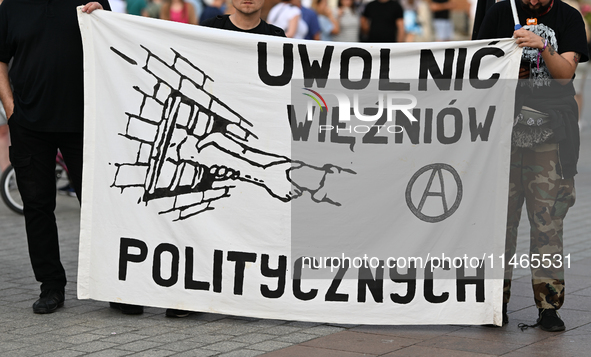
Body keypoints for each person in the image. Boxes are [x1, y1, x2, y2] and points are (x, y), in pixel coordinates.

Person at [0, 0, 144, 315]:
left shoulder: (91, 0)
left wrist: (102, 18)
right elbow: (0, 59)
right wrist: (11, 110)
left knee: (99, 207)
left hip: (84, 123)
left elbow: (114, 47)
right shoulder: (11, 6)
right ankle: (51, 287)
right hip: (29, 126)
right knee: (37, 207)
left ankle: (115, 287)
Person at [477, 0, 588, 331]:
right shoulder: (499, 12)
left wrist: (543, 47)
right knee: (501, 225)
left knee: (547, 224)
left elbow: (566, 75)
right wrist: (510, 71)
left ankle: (548, 305)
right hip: (503, 136)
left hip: (550, 137)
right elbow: (479, 67)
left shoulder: (568, 18)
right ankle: (498, 301)